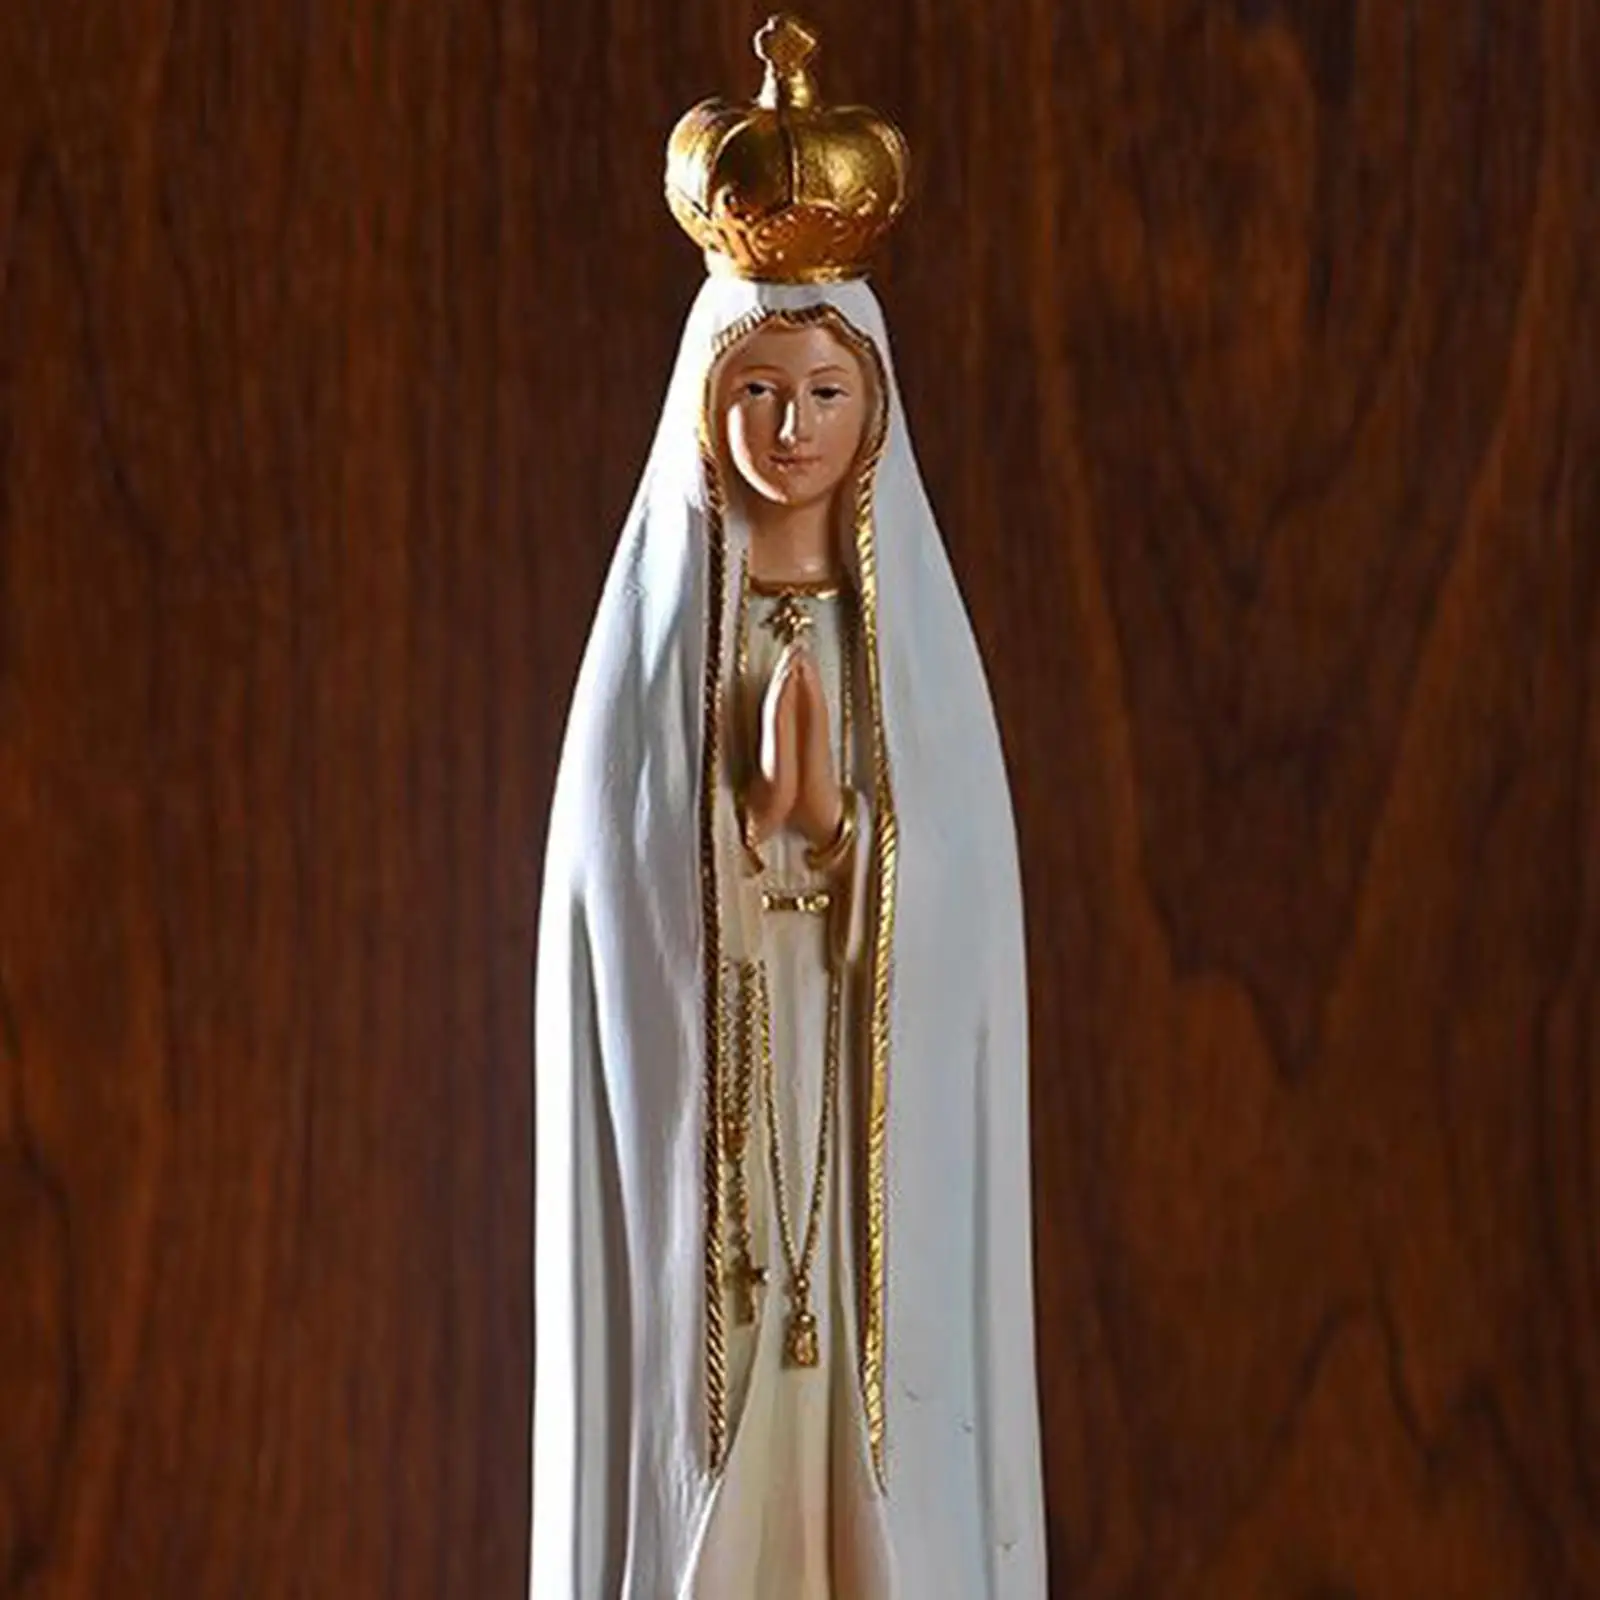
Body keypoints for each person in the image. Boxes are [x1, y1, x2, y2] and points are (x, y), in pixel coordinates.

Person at [532, 16, 1046, 1597]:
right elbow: (617, 891)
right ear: (709, 402)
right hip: (726, 1106)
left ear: (871, 409)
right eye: (758, 391)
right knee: (724, 1349)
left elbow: (955, 905)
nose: (790, 427)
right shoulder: (657, 651)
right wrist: (739, 844)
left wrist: (845, 837)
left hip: (852, 1087)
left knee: (860, 1376)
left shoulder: (915, 661)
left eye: (824, 391)